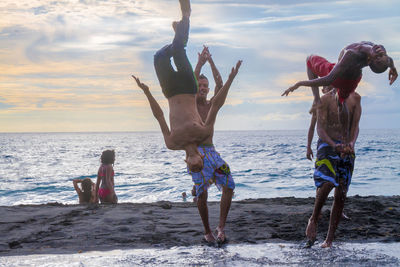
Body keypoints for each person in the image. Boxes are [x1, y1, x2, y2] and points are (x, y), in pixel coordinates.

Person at [132, 0, 242, 174]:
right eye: (198, 164)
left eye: (191, 167)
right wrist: (230, 79)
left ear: (186, 162)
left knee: (159, 57)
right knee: (178, 48)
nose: (194, 164)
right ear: (201, 157)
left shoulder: (172, 143)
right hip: (188, 86)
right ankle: (186, 16)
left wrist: (146, 92)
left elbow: (159, 116)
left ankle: (180, 34)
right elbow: (216, 105)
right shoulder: (203, 133)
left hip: (169, 90)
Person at [283, 41, 396, 143]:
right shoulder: (361, 52)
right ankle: (345, 140)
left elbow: (328, 79)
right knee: (341, 102)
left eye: (381, 55)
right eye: (380, 55)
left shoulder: (354, 55)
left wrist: (393, 68)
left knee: (309, 59)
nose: (380, 52)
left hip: (340, 78)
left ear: (369, 60)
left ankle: (344, 139)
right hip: (351, 80)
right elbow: (387, 59)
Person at [305, 89, 362, 248]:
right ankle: (314, 219)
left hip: (347, 147)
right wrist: (310, 147)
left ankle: (329, 240)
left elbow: (355, 127)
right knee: (327, 183)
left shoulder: (355, 98)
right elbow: (318, 129)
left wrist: (351, 143)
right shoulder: (323, 100)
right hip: (327, 144)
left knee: (342, 192)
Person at [191, 45, 235, 244]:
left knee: (229, 183)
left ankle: (220, 227)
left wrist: (211, 61)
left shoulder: (211, 105)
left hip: (212, 152)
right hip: (196, 153)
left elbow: (220, 83)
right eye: (199, 85)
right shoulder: (190, 104)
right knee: (202, 193)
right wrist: (199, 63)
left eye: (205, 86)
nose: (202, 88)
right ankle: (207, 230)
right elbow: (190, 81)